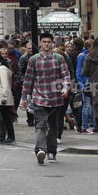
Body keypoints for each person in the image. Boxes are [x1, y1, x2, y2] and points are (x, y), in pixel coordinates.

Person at [20, 32, 72, 165]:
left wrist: (65, 87)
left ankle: (52, 152)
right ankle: (40, 150)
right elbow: (28, 79)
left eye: (49, 42)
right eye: (44, 42)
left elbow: (66, 75)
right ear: (40, 44)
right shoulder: (34, 59)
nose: (47, 44)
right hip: (39, 98)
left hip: (55, 99)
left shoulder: (59, 58)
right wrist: (24, 97)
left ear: (52, 43)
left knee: (53, 126)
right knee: (41, 125)